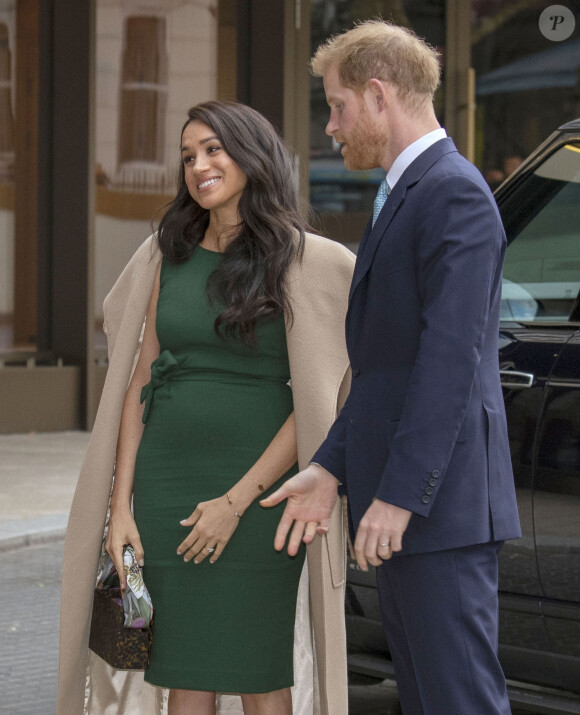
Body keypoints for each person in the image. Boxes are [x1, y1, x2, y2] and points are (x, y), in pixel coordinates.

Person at [57, 100, 355, 715]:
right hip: (165, 491)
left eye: (214, 149)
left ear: (252, 154)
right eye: (188, 156)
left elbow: (319, 403)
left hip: (261, 499)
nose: (199, 165)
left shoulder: (308, 261)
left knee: (258, 672)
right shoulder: (166, 254)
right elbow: (139, 385)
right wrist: (121, 512)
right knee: (180, 670)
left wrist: (235, 501)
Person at [262, 21, 521, 715]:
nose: (332, 125)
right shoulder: (409, 194)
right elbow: (385, 370)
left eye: (338, 106)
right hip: (409, 515)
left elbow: (448, 364)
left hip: (439, 517)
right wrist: (330, 464)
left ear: (378, 95)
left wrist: (401, 496)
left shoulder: (453, 193)